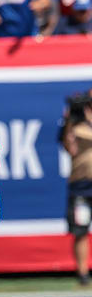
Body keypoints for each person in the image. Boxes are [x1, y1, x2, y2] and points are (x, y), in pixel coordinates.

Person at [60, 89, 92, 286]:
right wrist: (69, 121)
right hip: (81, 185)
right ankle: (82, 273)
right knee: (80, 229)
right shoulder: (75, 125)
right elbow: (68, 148)